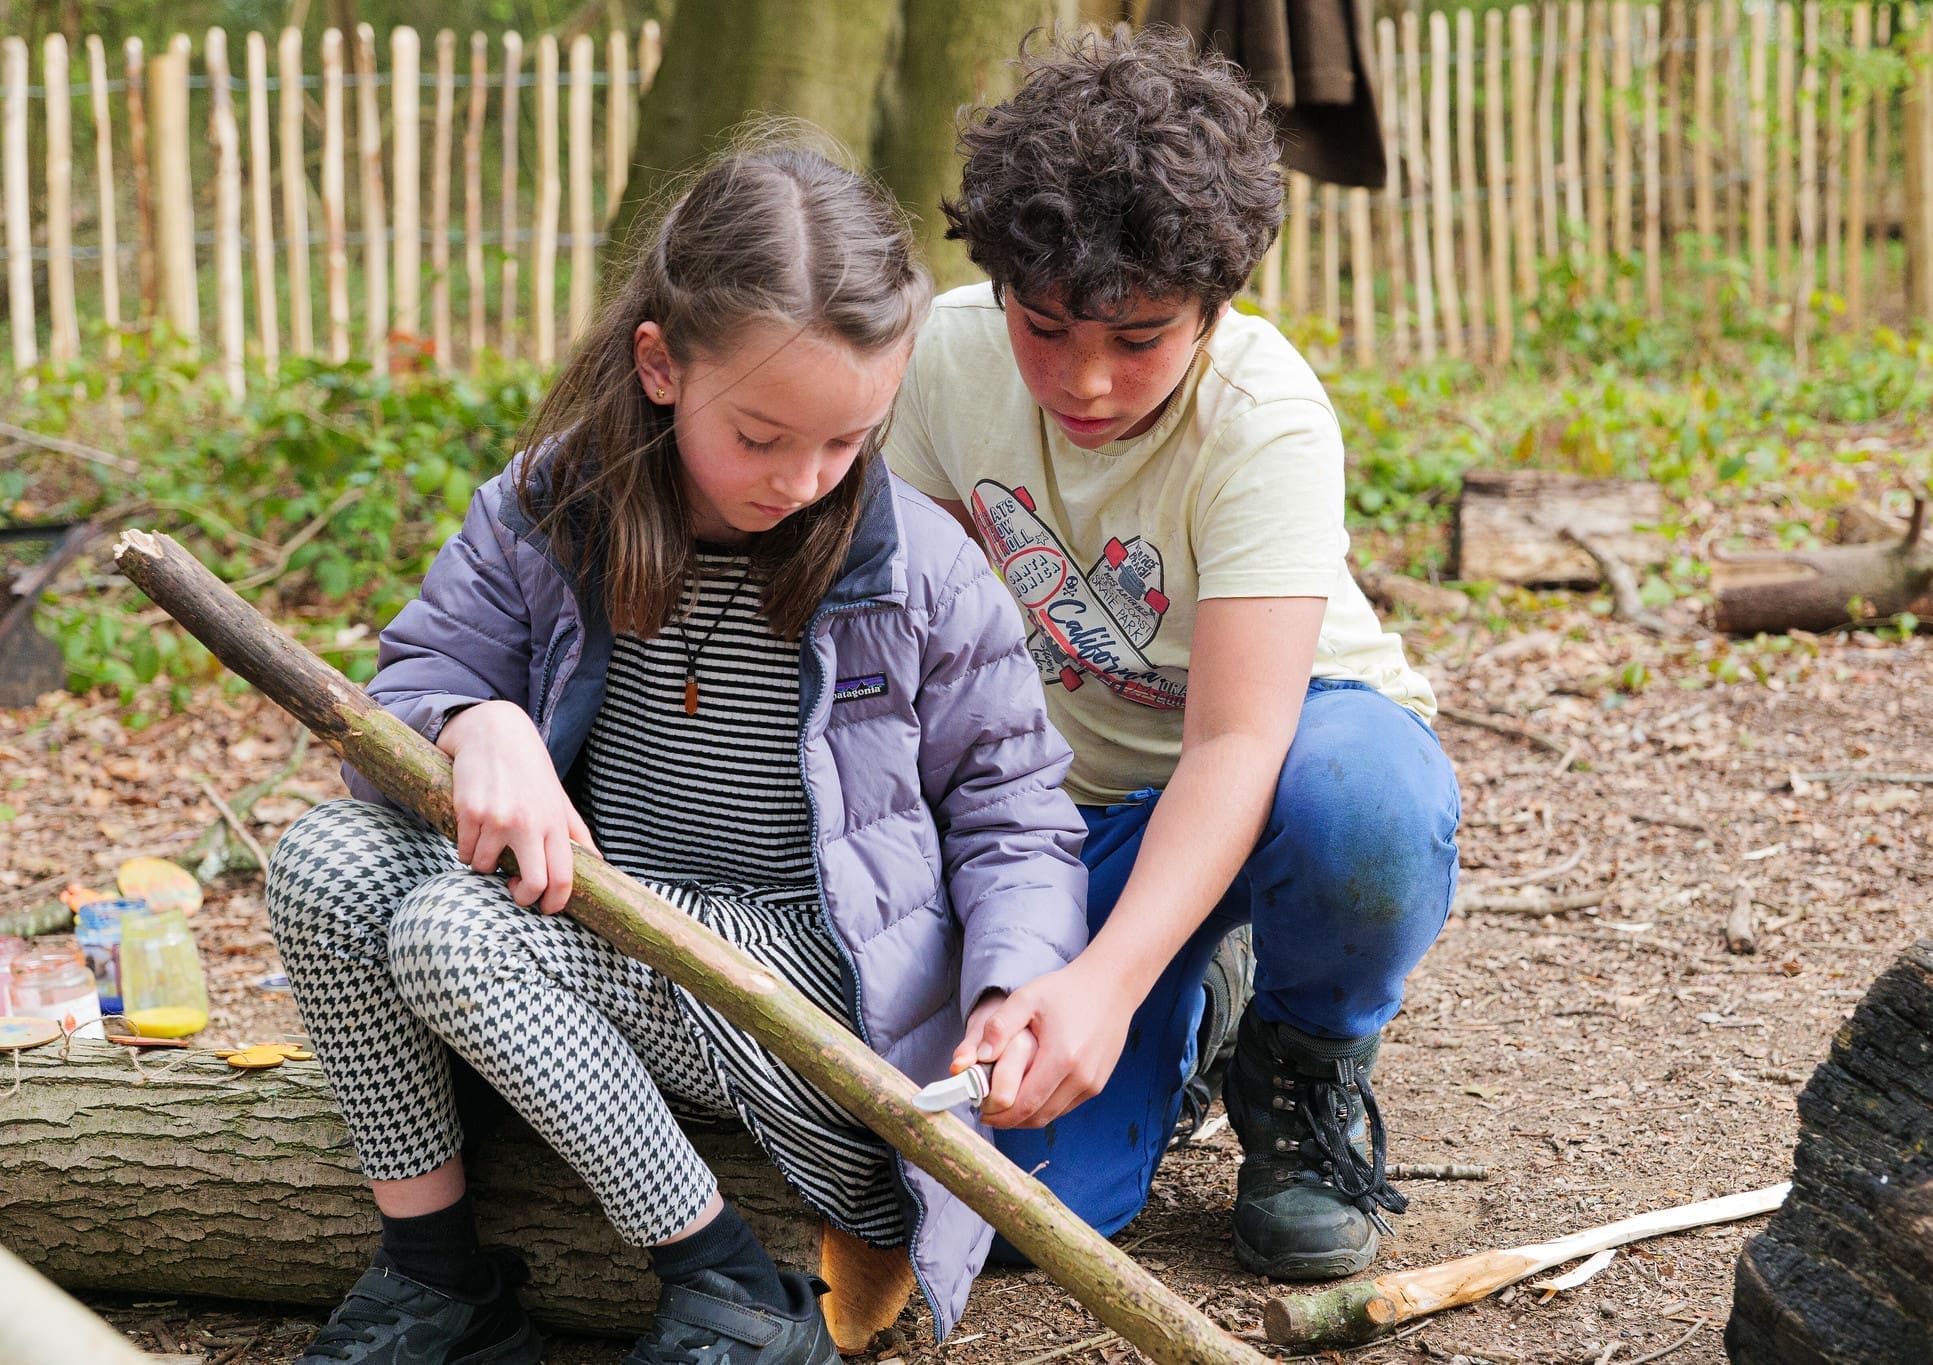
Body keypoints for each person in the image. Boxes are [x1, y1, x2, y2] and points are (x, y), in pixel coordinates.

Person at [264, 140, 1092, 1365]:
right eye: (759, 436)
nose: (802, 481)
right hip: (596, 944)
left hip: (815, 982)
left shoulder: (917, 569)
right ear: (659, 364)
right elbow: (412, 689)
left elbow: (1011, 807)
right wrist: (470, 721)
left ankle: (731, 1283)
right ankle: (437, 1276)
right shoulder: (552, 505)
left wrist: (1014, 982)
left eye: (844, 442)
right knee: (323, 861)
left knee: (451, 926)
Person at [885, 28, 1461, 1282]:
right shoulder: (938, 358)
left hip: (1283, 770)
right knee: (1020, 1210)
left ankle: (1304, 1065)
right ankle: (1196, 1009)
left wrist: (1097, 984)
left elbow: (1238, 741)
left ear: (1215, 302)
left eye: (1137, 338)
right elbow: (917, 660)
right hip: (1066, 813)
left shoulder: (1263, 421)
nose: (1084, 380)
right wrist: (1003, 943)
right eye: (1042, 328)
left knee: (1363, 809)